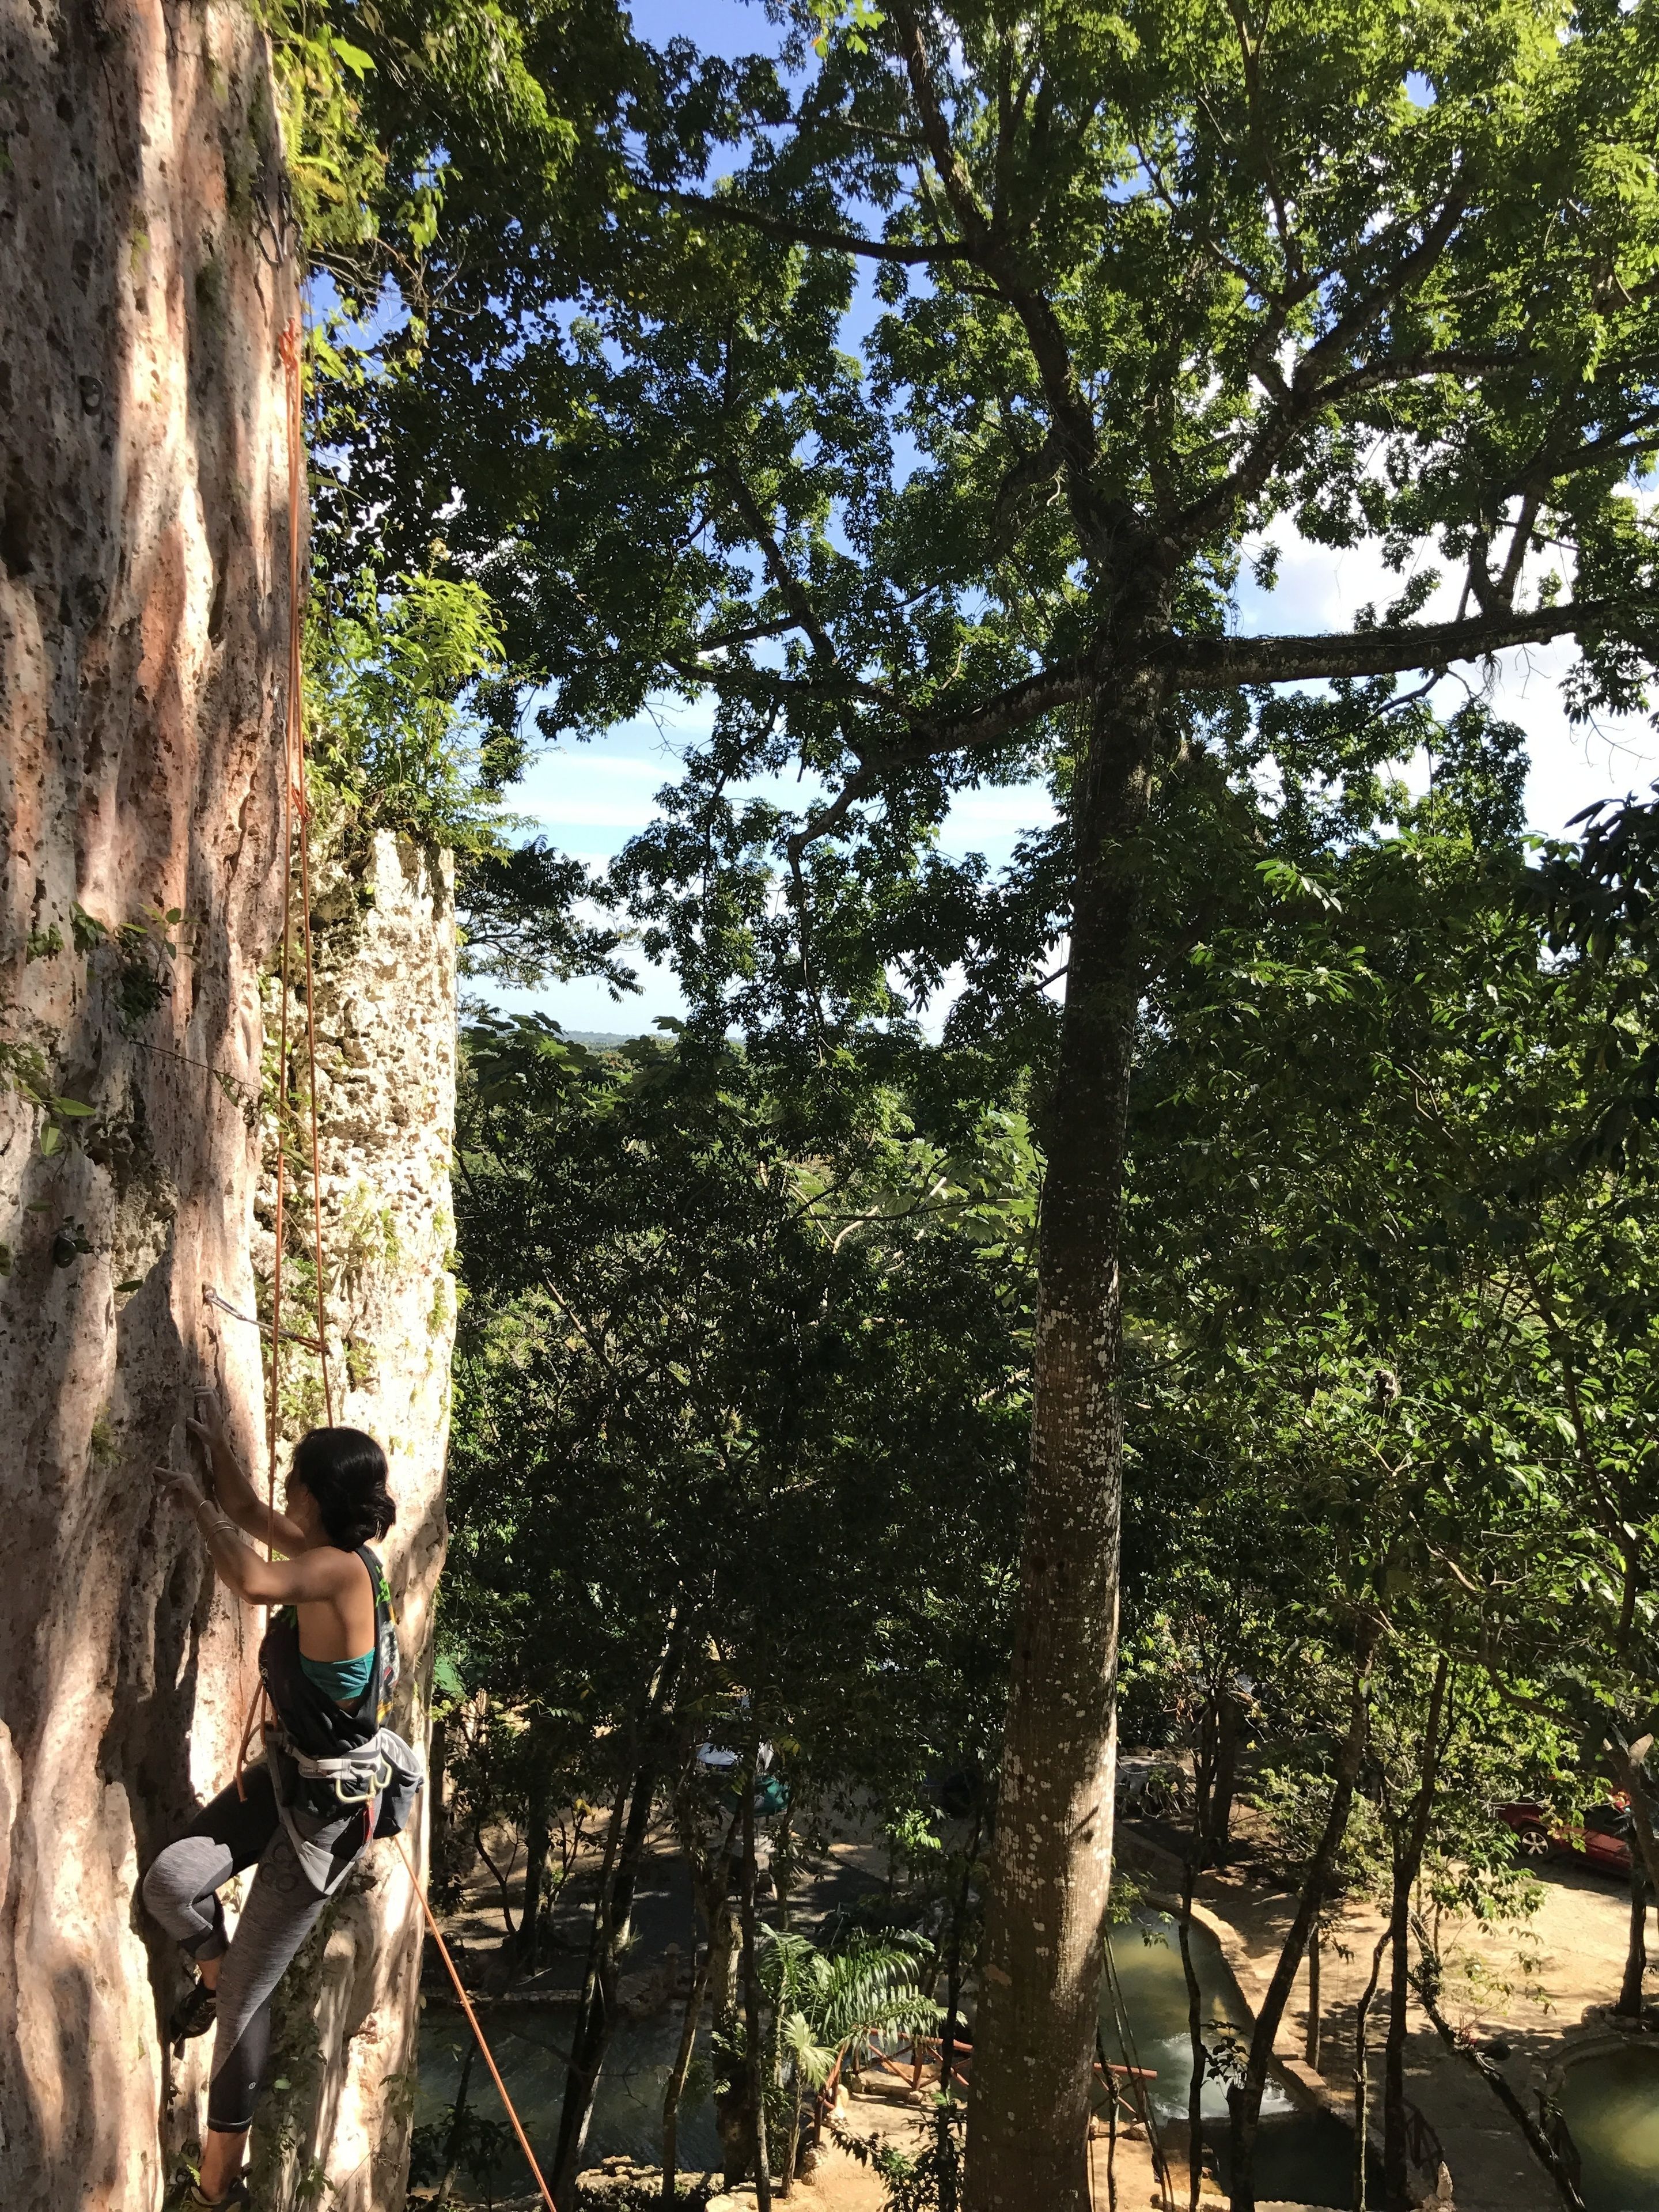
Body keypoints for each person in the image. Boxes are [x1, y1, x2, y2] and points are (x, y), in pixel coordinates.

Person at [146, 1393, 421, 2210]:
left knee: (244, 2010)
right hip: (285, 1783)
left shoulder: (336, 1571)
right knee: (171, 1882)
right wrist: (207, 1446)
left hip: (325, 1825)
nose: (286, 1493)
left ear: (318, 1495)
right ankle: (216, 1967)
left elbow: (250, 1576)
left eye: (296, 1482)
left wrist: (193, 1505)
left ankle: (214, 2190)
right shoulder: (328, 1549)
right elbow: (249, 1512)